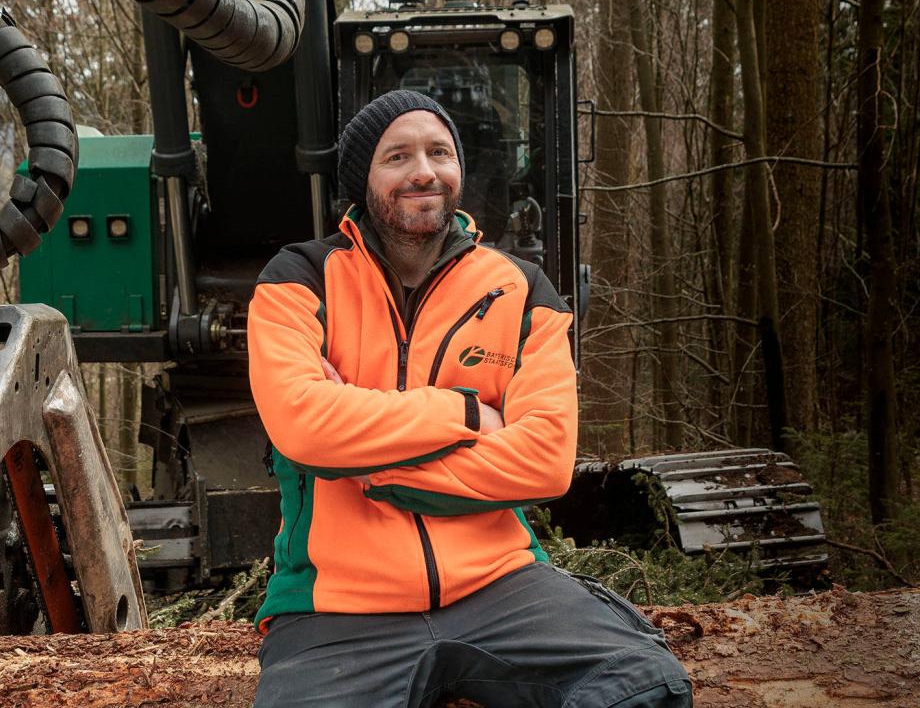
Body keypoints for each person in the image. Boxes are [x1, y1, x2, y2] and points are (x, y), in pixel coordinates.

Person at [246, 90, 692, 707]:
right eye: (397, 156)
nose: (423, 171)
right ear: (362, 180)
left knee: (646, 687)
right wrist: (465, 413)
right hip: (334, 607)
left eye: (439, 152)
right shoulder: (298, 280)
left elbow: (545, 459)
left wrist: (369, 461)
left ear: (458, 168)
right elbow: (302, 427)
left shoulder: (522, 290)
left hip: (501, 585)